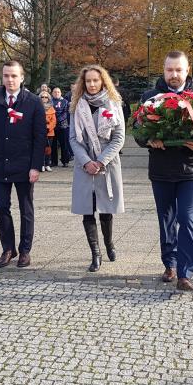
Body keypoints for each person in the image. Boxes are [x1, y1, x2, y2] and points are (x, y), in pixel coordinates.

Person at [135, 51, 193, 292]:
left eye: (178, 70)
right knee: (166, 219)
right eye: (170, 70)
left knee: (187, 219)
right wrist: (149, 140)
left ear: (187, 69)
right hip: (161, 169)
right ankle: (169, 263)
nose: (174, 74)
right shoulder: (150, 97)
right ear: (164, 70)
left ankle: (185, 273)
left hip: (191, 169)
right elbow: (138, 132)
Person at [0, 60, 46, 269]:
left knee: (26, 208)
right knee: (1, 206)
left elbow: (40, 137)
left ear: (22, 78)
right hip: (0, 163)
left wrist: (36, 166)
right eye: (6, 76)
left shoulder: (33, 102)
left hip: (25, 164)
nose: (10, 80)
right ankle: (8, 249)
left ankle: (25, 250)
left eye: (13, 76)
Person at [68, 64, 125, 272]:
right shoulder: (76, 106)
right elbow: (73, 139)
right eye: (88, 81)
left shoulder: (114, 104)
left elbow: (119, 138)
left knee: (106, 209)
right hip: (84, 166)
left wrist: (100, 161)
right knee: (87, 210)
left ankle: (109, 243)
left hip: (107, 164)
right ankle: (96, 253)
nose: (92, 84)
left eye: (95, 80)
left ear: (103, 81)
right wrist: (86, 162)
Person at [50, 87, 70, 167]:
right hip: (52, 127)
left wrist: (57, 120)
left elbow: (65, 113)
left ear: (61, 93)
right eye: (55, 92)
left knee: (64, 144)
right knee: (53, 145)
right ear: (52, 93)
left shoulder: (65, 102)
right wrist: (53, 121)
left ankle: (65, 161)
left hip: (63, 126)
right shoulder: (50, 102)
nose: (57, 93)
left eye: (58, 92)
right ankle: (54, 162)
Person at [40, 90, 56, 172]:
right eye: (42, 97)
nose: (44, 98)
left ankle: (47, 164)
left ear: (48, 98)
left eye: (46, 97)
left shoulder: (51, 108)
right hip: (40, 132)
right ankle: (41, 164)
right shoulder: (38, 107)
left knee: (48, 149)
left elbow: (54, 121)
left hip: (49, 132)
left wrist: (48, 128)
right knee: (40, 149)